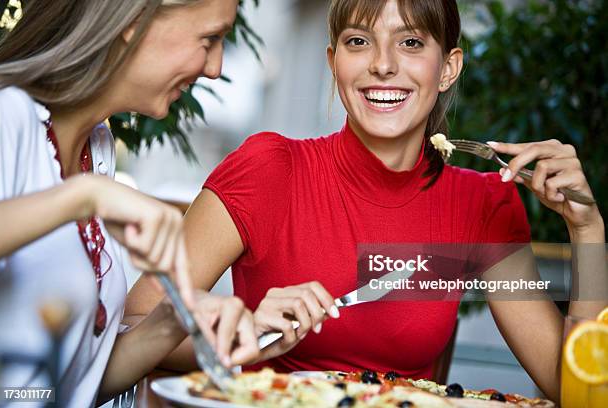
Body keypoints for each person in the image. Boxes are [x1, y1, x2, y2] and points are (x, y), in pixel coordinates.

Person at [126, 0, 607, 403]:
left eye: (412, 42)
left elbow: (573, 388)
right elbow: (134, 325)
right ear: (334, 60)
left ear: (448, 69)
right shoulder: (269, 169)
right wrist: (244, 336)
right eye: (359, 41)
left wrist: (588, 231)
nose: (383, 63)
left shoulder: (481, 204)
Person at [0, 0, 260, 406]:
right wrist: (85, 197)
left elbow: (74, 386)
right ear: (134, 22)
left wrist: (173, 321)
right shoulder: (6, 116)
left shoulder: (97, 145)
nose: (215, 67)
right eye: (209, 39)